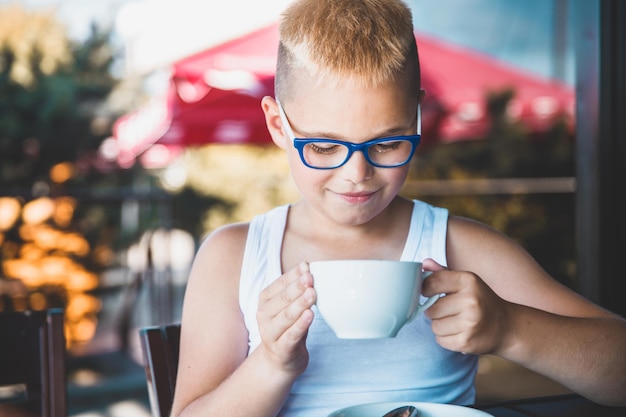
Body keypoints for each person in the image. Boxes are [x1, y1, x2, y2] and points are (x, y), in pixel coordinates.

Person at [170, 1, 626, 416]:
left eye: (387, 143)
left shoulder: (461, 249)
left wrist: (511, 328)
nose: (356, 173)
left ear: (417, 119)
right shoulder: (234, 258)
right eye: (325, 146)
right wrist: (271, 363)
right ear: (278, 125)